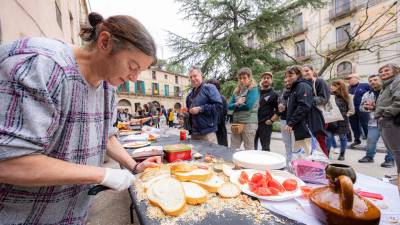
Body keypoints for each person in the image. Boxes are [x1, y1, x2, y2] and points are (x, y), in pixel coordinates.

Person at [0, 12, 163, 224]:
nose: (133, 78)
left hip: (71, 214)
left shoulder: (108, 86)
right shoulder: (43, 65)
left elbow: (106, 136)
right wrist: (101, 175)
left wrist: (134, 166)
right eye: (132, 67)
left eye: (139, 71)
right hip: (21, 216)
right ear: (104, 41)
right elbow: (9, 161)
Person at [284, 65, 324, 155]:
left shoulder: (302, 86)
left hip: (304, 127)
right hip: (299, 127)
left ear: (298, 75)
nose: (288, 79)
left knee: (306, 154)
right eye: (286, 76)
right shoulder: (295, 87)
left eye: (290, 76)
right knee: (300, 153)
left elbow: (304, 106)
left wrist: (291, 123)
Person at [358, 75, 394, 167]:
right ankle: (369, 157)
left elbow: (394, 106)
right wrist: (367, 108)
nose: (372, 82)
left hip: (389, 121)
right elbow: (361, 107)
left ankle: (390, 160)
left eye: (375, 80)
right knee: (370, 140)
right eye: (370, 81)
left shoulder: (390, 92)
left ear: (381, 80)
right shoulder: (367, 94)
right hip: (374, 122)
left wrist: (376, 108)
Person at [375, 63, 400, 192]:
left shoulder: (397, 81)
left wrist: (385, 114)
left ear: (395, 71)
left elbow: (398, 101)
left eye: (386, 70)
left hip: (392, 121)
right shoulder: (386, 85)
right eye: (381, 71)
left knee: (397, 152)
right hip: (385, 121)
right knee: (395, 151)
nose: (383, 73)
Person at [186, 67, 223, 143]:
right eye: (191, 77)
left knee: (211, 154)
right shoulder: (189, 96)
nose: (193, 79)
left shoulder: (210, 88)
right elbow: (190, 114)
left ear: (201, 75)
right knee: (196, 155)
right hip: (194, 133)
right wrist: (185, 115)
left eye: (195, 76)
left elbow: (219, 106)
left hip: (207, 133)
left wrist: (200, 109)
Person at [228, 67, 259, 150]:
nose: (242, 80)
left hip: (249, 123)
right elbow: (228, 106)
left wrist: (235, 106)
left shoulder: (254, 89)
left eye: (244, 78)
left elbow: (248, 106)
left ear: (249, 78)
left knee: (249, 149)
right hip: (237, 122)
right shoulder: (237, 90)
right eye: (240, 78)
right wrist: (237, 103)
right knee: (233, 148)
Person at [302, 64, 330, 156]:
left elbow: (324, 98)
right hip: (307, 116)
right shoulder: (303, 84)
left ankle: (324, 163)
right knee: (310, 142)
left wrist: (308, 99)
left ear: (313, 71)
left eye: (307, 70)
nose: (305, 73)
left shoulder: (319, 82)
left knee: (320, 141)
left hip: (319, 116)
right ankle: (313, 163)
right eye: (303, 71)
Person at [326, 80, 351, 161]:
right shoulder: (329, 96)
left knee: (343, 137)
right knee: (328, 137)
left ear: (340, 87)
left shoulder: (347, 96)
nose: (332, 87)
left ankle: (342, 154)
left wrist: (346, 115)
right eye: (332, 85)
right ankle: (327, 153)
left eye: (334, 85)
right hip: (331, 120)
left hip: (342, 121)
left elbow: (352, 110)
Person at [255, 72, 278, 151]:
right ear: (261, 80)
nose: (266, 80)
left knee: (265, 148)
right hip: (253, 123)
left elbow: (279, 110)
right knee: (251, 147)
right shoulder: (255, 92)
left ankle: (265, 163)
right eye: (264, 78)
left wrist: (272, 120)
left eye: (268, 78)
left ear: (271, 80)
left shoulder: (274, 94)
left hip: (265, 124)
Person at [346, 73, 371, 148]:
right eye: (348, 79)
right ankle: (357, 140)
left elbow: (372, 93)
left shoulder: (365, 85)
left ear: (356, 78)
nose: (349, 80)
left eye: (350, 78)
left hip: (363, 109)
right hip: (352, 110)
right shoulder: (348, 88)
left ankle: (369, 141)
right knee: (354, 126)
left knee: (365, 125)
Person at [205, 79, 228, 146]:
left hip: (219, 127)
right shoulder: (209, 98)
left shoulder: (221, 98)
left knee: (221, 148)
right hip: (214, 127)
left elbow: (223, 113)